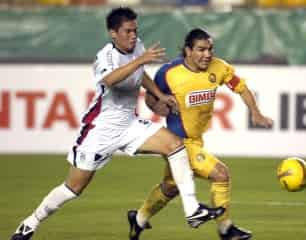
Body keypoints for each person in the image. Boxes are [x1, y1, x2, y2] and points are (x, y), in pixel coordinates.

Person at [10, 9, 225, 240]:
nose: (133, 36)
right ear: (113, 34)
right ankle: (30, 223)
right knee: (73, 188)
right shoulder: (107, 56)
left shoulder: (138, 47)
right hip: (101, 129)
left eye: (135, 30)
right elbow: (110, 80)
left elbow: (140, 74)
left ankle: (192, 210)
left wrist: (159, 95)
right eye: (127, 31)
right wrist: (140, 60)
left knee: (175, 145)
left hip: (129, 124)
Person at [127, 28, 273, 240]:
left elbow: (241, 87)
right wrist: (160, 107)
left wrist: (256, 113)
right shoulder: (168, 73)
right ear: (188, 50)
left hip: (196, 139)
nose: (207, 54)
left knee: (170, 187)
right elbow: (151, 98)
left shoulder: (220, 68)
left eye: (210, 49)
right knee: (221, 174)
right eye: (201, 49)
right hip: (178, 142)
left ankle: (138, 219)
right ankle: (226, 229)